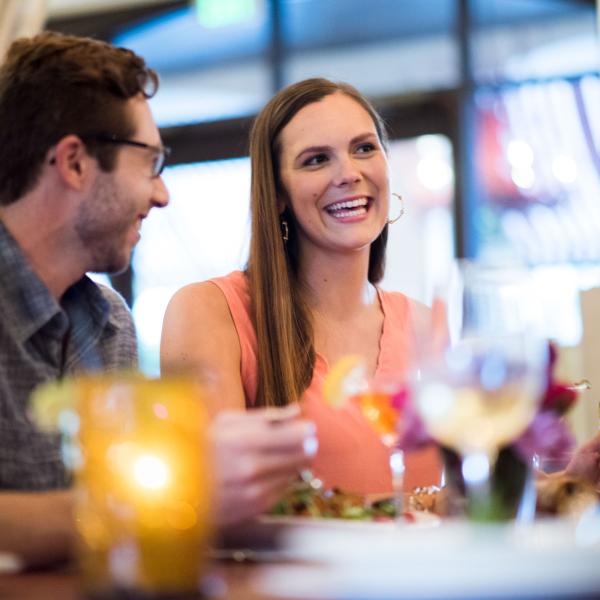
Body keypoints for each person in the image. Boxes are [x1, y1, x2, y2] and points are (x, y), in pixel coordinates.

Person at [0, 31, 313, 568]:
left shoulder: (108, 325)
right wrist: (186, 489)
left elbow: (118, 542)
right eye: (151, 162)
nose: (162, 194)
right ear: (74, 162)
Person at [161, 77, 441, 495]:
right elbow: (209, 501)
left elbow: (473, 489)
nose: (349, 174)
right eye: (315, 160)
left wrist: (563, 479)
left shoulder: (426, 324)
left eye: (364, 148)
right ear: (277, 195)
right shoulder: (209, 311)